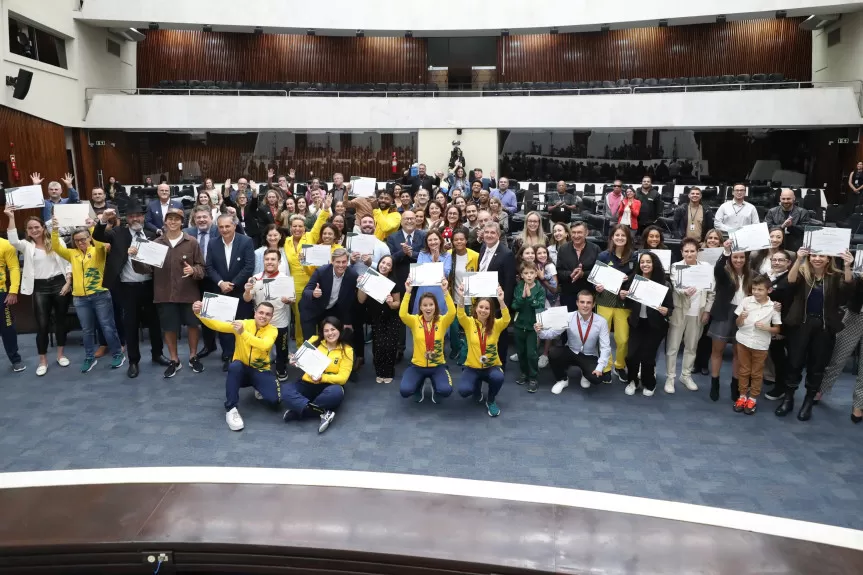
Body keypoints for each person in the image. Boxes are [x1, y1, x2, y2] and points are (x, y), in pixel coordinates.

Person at [776, 246, 853, 421]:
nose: (817, 259)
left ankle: (808, 402)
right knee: (794, 363)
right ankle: (788, 399)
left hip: (824, 327)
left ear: (828, 259)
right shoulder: (802, 273)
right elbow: (790, 282)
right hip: (801, 325)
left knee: (817, 366)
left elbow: (847, 291)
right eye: (814, 255)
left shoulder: (835, 276)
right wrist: (798, 259)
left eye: (822, 256)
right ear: (809, 257)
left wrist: (848, 266)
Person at [93, 200, 169, 378]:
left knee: (155, 323)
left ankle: (157, 354)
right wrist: (103, 220)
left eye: (138, 216)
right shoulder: (117, 233)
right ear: (126, 218)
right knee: (131, 325)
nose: (135, 219)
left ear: (143, 217)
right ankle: (133, 361)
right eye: (131, 216)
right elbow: (98, 235)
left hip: (150, 286)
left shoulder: (151, 234)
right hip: (127, 288)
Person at [130, 208, 206, 378]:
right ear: (165, 221)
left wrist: (193, 270)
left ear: (182, 222)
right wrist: (135, 258)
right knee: (169, 327)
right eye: (170, 218)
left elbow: (202, 268)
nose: (173, 222)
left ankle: (193, 357)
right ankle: (174, 360)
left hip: (188, 292)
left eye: (176, 219)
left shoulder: (192, 242)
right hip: (165, 293)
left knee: (193, 325)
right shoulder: (156, 243)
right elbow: (145, 269)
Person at [194, 299, 280, 432]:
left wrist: (243, 333)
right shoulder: (243, 323)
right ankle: (231, 408)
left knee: (275, 401)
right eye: (261, 312)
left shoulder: (273, 330)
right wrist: (199, 313)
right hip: (242, 370)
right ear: (255, 313)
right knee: (234, 366)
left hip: (260, 370)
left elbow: (264, 345)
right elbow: (218, 325)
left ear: (271, 317)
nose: (263, 316)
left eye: (267, 314)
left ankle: (258, 386)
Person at [5, 207, 71, 375]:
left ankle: (61, 355)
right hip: (40, 288)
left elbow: (68, 261)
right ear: (27, 231)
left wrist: (68, 282)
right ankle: (43, 361)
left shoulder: (57, 241)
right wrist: (11, 217)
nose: (34, 230)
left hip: (60, 284)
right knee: (42, 325)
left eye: (37, 227)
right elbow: (13, 240)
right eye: (30, 228)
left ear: (43, 227)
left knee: (61, 322)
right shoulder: (26, 245)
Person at [51, 220, 125, 372]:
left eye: (83, 239)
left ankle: (118, 354)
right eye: (77, 240)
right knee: (87, 330)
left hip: (100, 295)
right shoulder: (72, 254)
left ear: (89, 238)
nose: (80, 242)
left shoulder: (99, 250)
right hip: (80, 299)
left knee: (108, 327)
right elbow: (56, 247)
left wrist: (92, 226)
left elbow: (100, 242)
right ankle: (89, 357)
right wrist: (55, 229)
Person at [281, 316, 352, 434]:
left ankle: (300, 411)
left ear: (339, 330)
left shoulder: (347, 350)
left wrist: (322, 378)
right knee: (285, 390)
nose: (330, 333)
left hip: (330, 386)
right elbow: (301, 360)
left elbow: (343, 378)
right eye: (326, 330)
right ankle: (323, 412)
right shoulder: (314, 340)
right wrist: (295, 361)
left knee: (335, 394)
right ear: (322, 332)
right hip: (308, 382)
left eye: (333, 329)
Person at [206, 213, 256, 371]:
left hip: (240, 292)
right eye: (221, 227)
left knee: (241, 325)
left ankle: (242, 357)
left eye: (227, 226)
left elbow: (249, 266)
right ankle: (228, 355)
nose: (224, 229)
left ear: (234, 226)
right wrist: (221, 283)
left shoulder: (246, 241)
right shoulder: (212, 243)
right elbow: (209, 267)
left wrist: (233, 284)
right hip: (221, 291)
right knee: (224, 327)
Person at [619, 251, 673, 396]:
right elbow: (628, 303)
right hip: (637, 324)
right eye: (642, 262)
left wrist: (666, 311)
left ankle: (649, 383)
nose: (645, 264)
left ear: (654, 264)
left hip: (655, 325)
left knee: (647, 357)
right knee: (631, 356)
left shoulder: (664, 283)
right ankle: (633, 381)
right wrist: (623, 296)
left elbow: (670, 307)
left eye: (648, 262)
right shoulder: (634, 280)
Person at [537, 290, 611, 394]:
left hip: (589, 355)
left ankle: (585, 373)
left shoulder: (601, 321)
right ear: (577, 303)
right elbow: (552, 333)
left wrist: (599, 367)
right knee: (553, 352)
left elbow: (605, 347)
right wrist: (540, 331)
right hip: (571, 351)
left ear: (593, 304)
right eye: (582, 302)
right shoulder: (568, 317)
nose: (585, 305)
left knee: (596, 378)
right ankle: (562, 380)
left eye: (588, 302)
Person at [665, 237, 715, 393]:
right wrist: (684, 291)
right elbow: (676, 285)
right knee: (673, 347)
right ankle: (670, 377)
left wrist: (707, 310)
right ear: (681, 252)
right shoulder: (676, 267)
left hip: (697, 313)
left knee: (692, 347)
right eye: (686, 251)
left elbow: (712, 292)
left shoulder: (706, 268)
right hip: (679, 311)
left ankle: (685, 375)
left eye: (692, 251)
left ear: (697, 252)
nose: (689, 254)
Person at [283, 194, 332, 346]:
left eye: (300, 226)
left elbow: (319, 223)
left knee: (315, 316)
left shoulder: (310, 237)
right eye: (294, 226)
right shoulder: (286, 241)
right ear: (290, 228)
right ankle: (301, 346)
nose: (297, 228)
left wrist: (325, 209)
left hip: (312, 283)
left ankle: (318, 345)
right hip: (294, 286)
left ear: (304, 227)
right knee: (299, 318)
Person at [707, 240, 752, 402]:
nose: (738, 260)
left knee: (738, 353)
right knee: (717, 351)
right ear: (730, 258)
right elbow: (718, 268)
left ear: (746, 258)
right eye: (735, 257)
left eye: (741, 257)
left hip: (743, 315)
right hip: (724, 313)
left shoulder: (752, 275)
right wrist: (726, 251)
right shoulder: (724, 273)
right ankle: (715, 383)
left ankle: (735, 385)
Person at [398, 277, 455, 402]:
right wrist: (408, 292)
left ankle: (436, 385)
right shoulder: (415, 321)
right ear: (420, 307)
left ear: (435, 306)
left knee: (445, 390)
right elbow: (402, 314)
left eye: (431, 305)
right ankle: (418, 385)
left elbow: (452, 313)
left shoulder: (442, 321)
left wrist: (445, 292)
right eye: (425, 305)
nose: (428, 308)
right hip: (417, 365)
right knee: (405, 391)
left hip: (437, 365)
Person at [456, 284, 509, 416]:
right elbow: (460, 315)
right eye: (481, 307)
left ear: (491, 311)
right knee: (464, 391)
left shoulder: (496, 324)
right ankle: (476, 385)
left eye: (487, 308)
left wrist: (501, 301)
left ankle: (490, 400)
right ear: (476, 308)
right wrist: (461, 297)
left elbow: (506, 319)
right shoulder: (469, 323)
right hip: (472, 367)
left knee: (498, 377)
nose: (483, 310)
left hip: (491, 367)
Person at [733, 274, 782, 414]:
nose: (756, 292)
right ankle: (742, 396)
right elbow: (737, 324)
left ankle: (753, 399)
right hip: (743, 341)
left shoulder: (773, 307)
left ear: (769, 290)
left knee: (756, 373)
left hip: (761, 345)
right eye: (754, 289)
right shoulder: (746, 301)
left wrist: (767, 328)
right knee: (743, 370)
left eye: (760, 289)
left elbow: (777, 329)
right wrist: (741, 318)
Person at [347, 214, 390, 371]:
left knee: (377, 324)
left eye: (370, 222)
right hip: (355, 288)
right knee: (357, 324)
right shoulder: (351, 244)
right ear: (360, 225)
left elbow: (388, 267)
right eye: (364, 222)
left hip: (376, 287)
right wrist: (351, 261)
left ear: (375, 225)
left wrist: (371, 263)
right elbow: (342, 266)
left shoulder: (382, 246)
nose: (367, 224)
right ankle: (359, 356)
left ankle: (379, 357)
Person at [244, 248, 295, 381]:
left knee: (282, 348)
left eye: (273, 259)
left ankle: (281, 368)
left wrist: (288, 300)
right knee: (259, 348)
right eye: (267, 259)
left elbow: (293, 300)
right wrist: (247, 291)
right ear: (263, 261)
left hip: (280, 322)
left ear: (279, 262)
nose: (270, 262)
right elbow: (247, 299)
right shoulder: (255, 279)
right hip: (261, 322)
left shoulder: (285, 279)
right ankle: (259, 370)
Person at [595, 225, 638, 380]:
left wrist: (627, 286)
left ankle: (620, 365)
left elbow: (636, 278)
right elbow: (595, 278)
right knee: (604, 336)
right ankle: (606, 367)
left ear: (628, 238)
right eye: (617, 235)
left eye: (623, 235)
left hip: (623, 302)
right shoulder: (603, 256)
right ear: (612, 237)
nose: (620, 238)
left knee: (623, 338)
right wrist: (597, 287)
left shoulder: (634, 257)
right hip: (604, 300)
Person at [819, 277, 863, 423]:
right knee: (838, 356)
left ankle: (859, 404)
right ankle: (820, 389)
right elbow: (847, 290)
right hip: (855, 314)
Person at [386, 210, 426, 362]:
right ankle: (399, 348)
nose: (409, 221)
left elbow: (426, 256)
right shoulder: (392, 237)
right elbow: (390, 259)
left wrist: (412, 254)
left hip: (420, 284)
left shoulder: (423, 236)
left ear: (416, 220)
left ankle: (421, 349)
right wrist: (402, 253)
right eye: (406, 219)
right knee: (400, 318)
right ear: (401, 221)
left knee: (420, 317)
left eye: (412, 218)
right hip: (400, 283)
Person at [184, 206, 221, 358]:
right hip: (195, 278)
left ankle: (227, 349)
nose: (202, 220)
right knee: (204, 312)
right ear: (194, 219)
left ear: (211, 218)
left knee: (221, 313)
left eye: (205, 217)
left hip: (216, 278)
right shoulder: (187, 233)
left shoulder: (219, 231)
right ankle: (209, 345)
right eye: (198, 217)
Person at [478, 221, 517, 364]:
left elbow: (509, 283)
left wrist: (503, 307)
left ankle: (500, 365)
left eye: (492, 233)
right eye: (486, 232)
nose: (489, 235)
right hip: (483, 300)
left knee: (499, 336)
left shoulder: (507, 254)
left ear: (498, 235)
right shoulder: (483, 248)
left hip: (497, 304)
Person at [359, 255, 401, 383]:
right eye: (383, 262)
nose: (384, 266)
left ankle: (389, 372)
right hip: (376, 317)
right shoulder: (370, 278)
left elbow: (397, 304)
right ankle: (379, 372)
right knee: (378, 346)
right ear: (378, 263)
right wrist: (361, 285)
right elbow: (361, 300)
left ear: (391, 268)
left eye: (388, 264)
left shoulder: (393, 282)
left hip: (391, 317)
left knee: (390, 346)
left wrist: (391, 302)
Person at [299, 249, 358, 340]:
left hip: (329, 311)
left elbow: (349, 300)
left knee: (328, 339)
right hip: (310, 309)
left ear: (348, 262)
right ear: (332, 261)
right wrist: (313, 293)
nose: (341, 265)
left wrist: (347, 321)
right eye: (338, 262)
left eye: (344, 262)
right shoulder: (321, 271)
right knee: (310, 341)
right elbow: (306, 291)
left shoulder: (352, 275)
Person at [512, 262, 546, 392]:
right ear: (521, 275)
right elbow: (514, 306)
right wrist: (522, 297)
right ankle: (524, 373)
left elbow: (540, 307)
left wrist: (530, 297)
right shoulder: (519, 287)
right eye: (526, 273)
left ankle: (533, 377)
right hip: (519, 325)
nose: (529, 276)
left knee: (531, 354)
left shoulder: (540, 289)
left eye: (532, 273)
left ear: (536, 274)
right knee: (521, 352)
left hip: (533, 327)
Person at [555, 222, 599, 311]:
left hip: (588, 296)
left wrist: (583, 274)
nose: (576, 235)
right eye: (573, 232)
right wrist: (570, 274)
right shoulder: (563, 249)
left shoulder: (595, 249)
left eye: (579, 232)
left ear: (586, 233)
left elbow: (599, 273)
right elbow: (559, 271)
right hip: (568, 295)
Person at [413, 230, 453, 314]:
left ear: (440, 240)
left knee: (440, 317)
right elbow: (418, 273)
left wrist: (437, 261)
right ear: (427, 242)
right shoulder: (422, 254)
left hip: (440, 290)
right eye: (430, 240)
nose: (433, 242)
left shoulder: (447, 255)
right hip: (423, 290)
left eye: (435, 239)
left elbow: (446, 274)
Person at [0, 227, 22, 372]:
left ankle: (15, 359)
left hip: (1, 293)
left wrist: (13, 291)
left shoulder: (5, 245)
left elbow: (14, 268)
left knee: (7, 328)